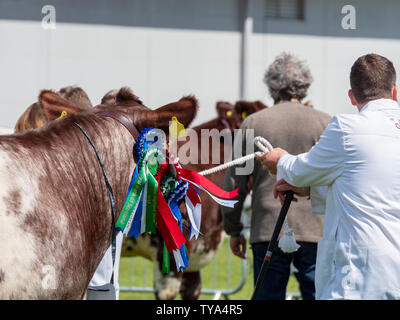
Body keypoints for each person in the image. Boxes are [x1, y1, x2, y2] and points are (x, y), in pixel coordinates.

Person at [258, 53, 400, 300]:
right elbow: (366, 186)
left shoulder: (346, 129)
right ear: (395, 91)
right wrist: (310, 190)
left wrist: (278, 159)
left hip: (360, 276)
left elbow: (299, 170)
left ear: (352, 96)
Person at [222, 53, 331, 300]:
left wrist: (234, 228)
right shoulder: (326, 123)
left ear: (272, 85)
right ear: (305, 84)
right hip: (317, 229)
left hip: (268, 228)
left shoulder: (253, 123)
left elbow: (234, 183)